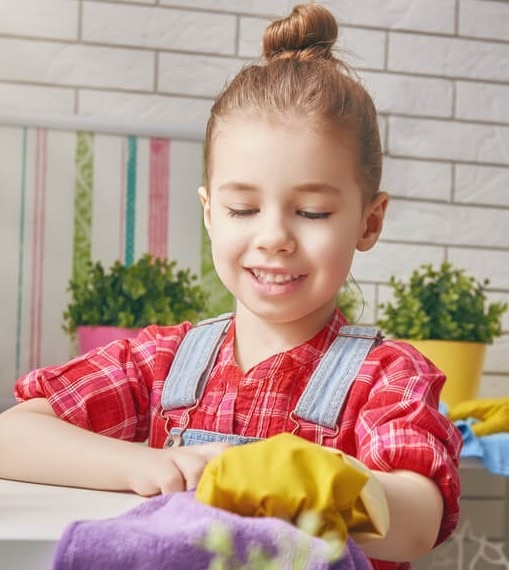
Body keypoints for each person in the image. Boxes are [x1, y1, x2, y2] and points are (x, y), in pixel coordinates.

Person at [0, 3, 461, 569]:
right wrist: (140, 464)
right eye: (243, 208)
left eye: (312, 212)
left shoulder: (387, 376)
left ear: (369, 221)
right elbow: (13, 435)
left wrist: (330, 486)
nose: (274, 238)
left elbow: (419, 519)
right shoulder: (160, 363)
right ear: (210, 213)